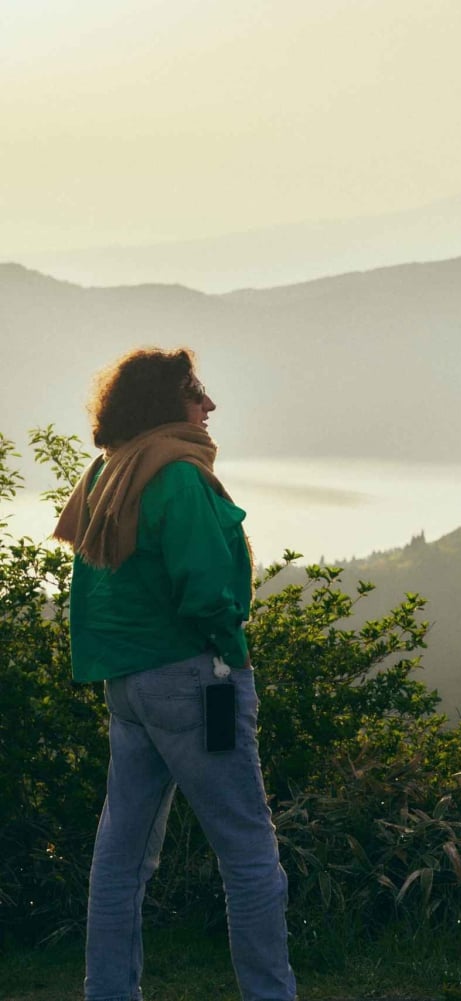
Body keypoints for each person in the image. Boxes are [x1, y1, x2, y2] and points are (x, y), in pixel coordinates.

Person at [53, 348, 296, 1001]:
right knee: (247, 848)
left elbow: (97, 591)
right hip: (196, 679)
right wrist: (232, 655)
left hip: (128, 685)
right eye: (197, 394)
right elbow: (208, 590)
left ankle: (108, 991)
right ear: (169, 403)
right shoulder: (176, 476)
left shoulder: (111, 472)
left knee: (122, 857)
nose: (209, 406)